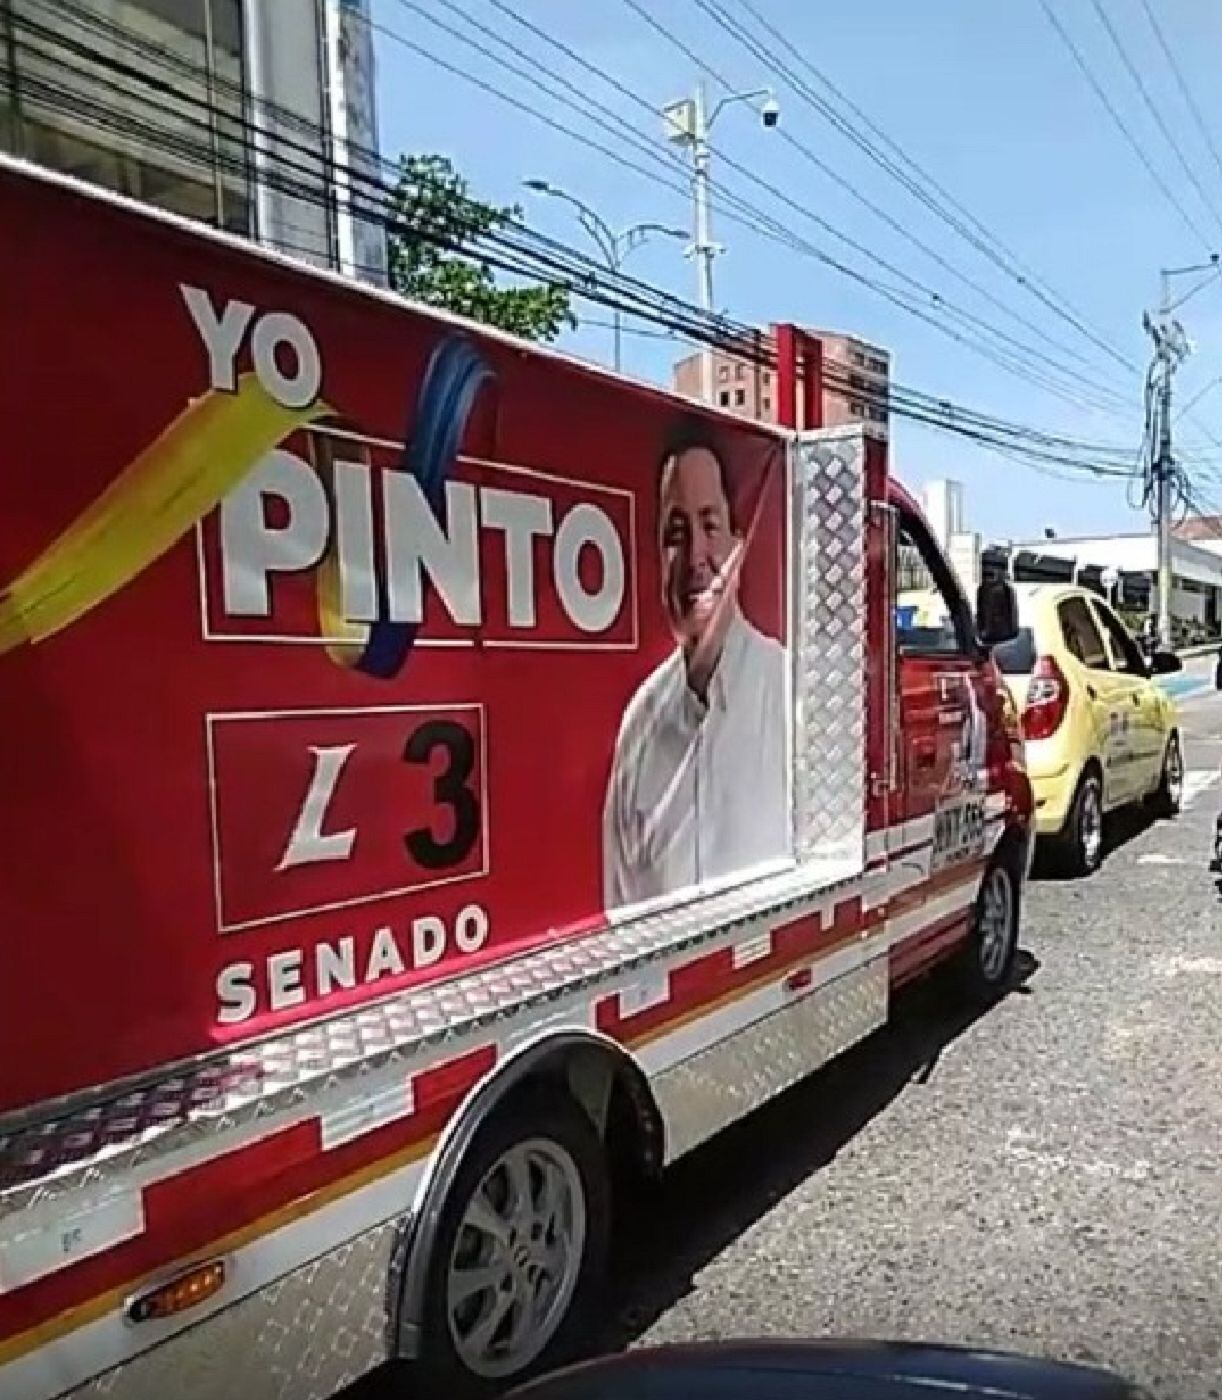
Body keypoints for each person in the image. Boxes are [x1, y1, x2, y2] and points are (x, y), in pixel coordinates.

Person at [602, 428, 788, 911]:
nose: (694, 558)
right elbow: (621, 908)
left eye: (710, 525)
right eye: (676, 533)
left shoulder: (790, 695)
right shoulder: (641, 725)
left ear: (739, 545)